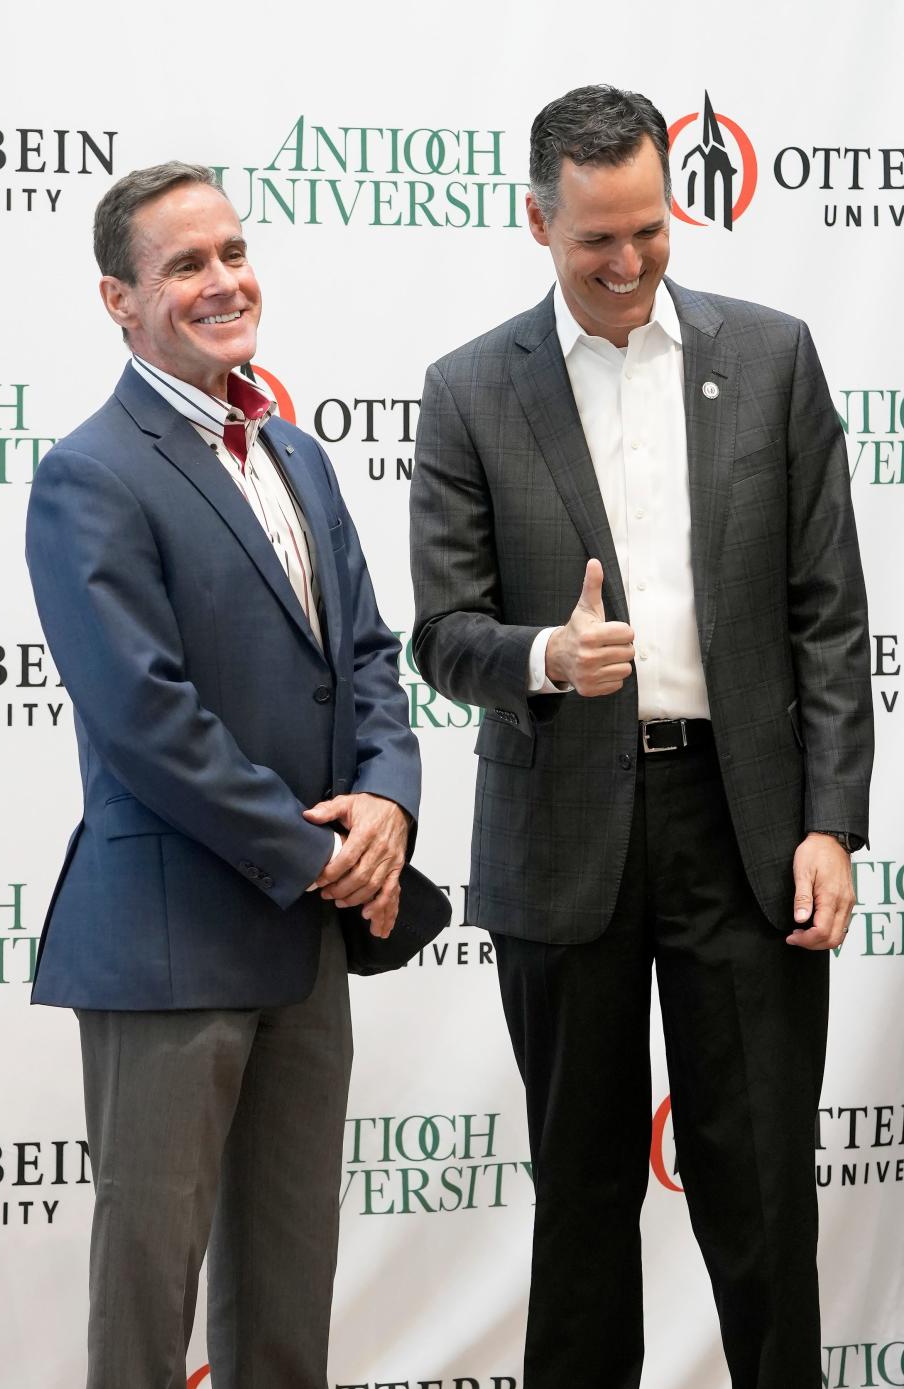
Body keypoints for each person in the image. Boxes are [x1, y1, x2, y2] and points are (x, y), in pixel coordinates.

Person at [409, 86, 872, 1389]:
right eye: (594, 240)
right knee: (582, 1196)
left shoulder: (772, 357)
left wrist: (832, 820)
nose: (626, 266)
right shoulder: (467, 393)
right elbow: (442, 631)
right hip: (565, 837)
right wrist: (546, 656)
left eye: (649, 232)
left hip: (749, 834)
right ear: (537, 220)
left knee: (764, 1184)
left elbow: (828, 614)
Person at [26, 161, 420, 1389]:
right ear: (119, 301)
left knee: (289, 1299)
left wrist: (390, 802)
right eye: (185, 265)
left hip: (306, 948)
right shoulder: (91, 472)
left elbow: (364, 656)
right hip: (167, 947)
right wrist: (326, 854)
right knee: (148, 1306)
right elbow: (146, 717)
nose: (224, 282)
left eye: (234, 253)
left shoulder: (300, 457)